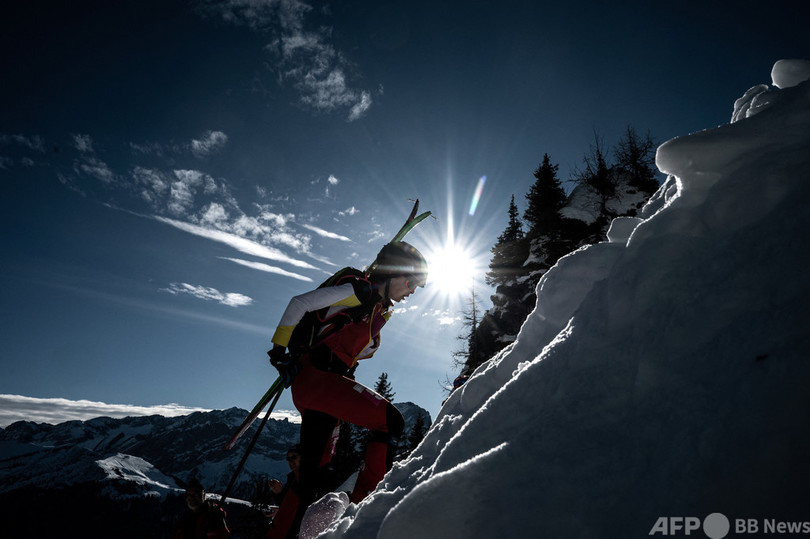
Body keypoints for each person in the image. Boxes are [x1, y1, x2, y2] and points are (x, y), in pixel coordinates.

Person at [265, 241, 428, 539]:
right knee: (391, 421)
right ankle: (365, 512)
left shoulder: (374, 306)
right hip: (319, 380)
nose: (413, 291)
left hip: (319, 386)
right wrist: (279, 353)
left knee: (312, 474)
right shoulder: (359, 290)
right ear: (394, 272)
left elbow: (350, 344)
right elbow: (299, 304)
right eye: (411, 282)